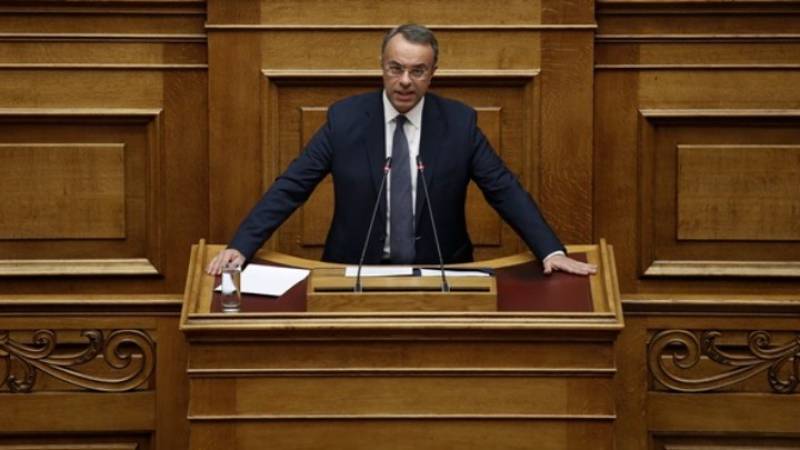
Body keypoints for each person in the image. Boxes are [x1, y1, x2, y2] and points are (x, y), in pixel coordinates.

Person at [207, 24, 596, 277]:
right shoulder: (345, 120)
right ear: (382, 67)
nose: (405, 81)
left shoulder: (459, 123)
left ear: (433, 74)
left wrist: (550, 251)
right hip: (353, 272)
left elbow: (504, 189)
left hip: (441, 274)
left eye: (417, 71)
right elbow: (292, 186)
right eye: (396, 68)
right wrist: (242, 246)